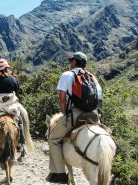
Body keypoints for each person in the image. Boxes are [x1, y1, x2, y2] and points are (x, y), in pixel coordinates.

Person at [46, 52, 102, 183]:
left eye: (71, 61)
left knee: (53, 139)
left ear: (75, 62)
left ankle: (59, 173)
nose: (70, 63)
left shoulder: (67, 75)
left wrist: (65, 114)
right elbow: (99, 98)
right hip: (94, 114)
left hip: (75, 114)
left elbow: (61, 98)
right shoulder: (92, 77)